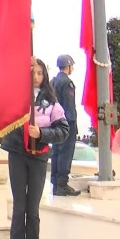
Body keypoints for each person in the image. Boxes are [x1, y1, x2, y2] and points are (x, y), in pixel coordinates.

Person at [1, 57, 69, 239]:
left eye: (40, 73)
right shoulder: (17, 96)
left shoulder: (51, 101)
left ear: (45, 75)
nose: (36, 77)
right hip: (18, 154)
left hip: (39, 157)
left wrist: (42, 134)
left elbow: (63, 130)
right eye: (32, 73)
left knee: (33, 209)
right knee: (19, 207)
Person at [50, 54, 80, 197]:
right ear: (68, 66)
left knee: (56, 152)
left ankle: (56, 184)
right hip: (66, 123)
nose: (72, 68)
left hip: (54, 123)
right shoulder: (67, 83)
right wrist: (72, 125)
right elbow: (69, 106)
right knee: (66, 154)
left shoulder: (52, 82)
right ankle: (62, 185)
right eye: (71, 65)